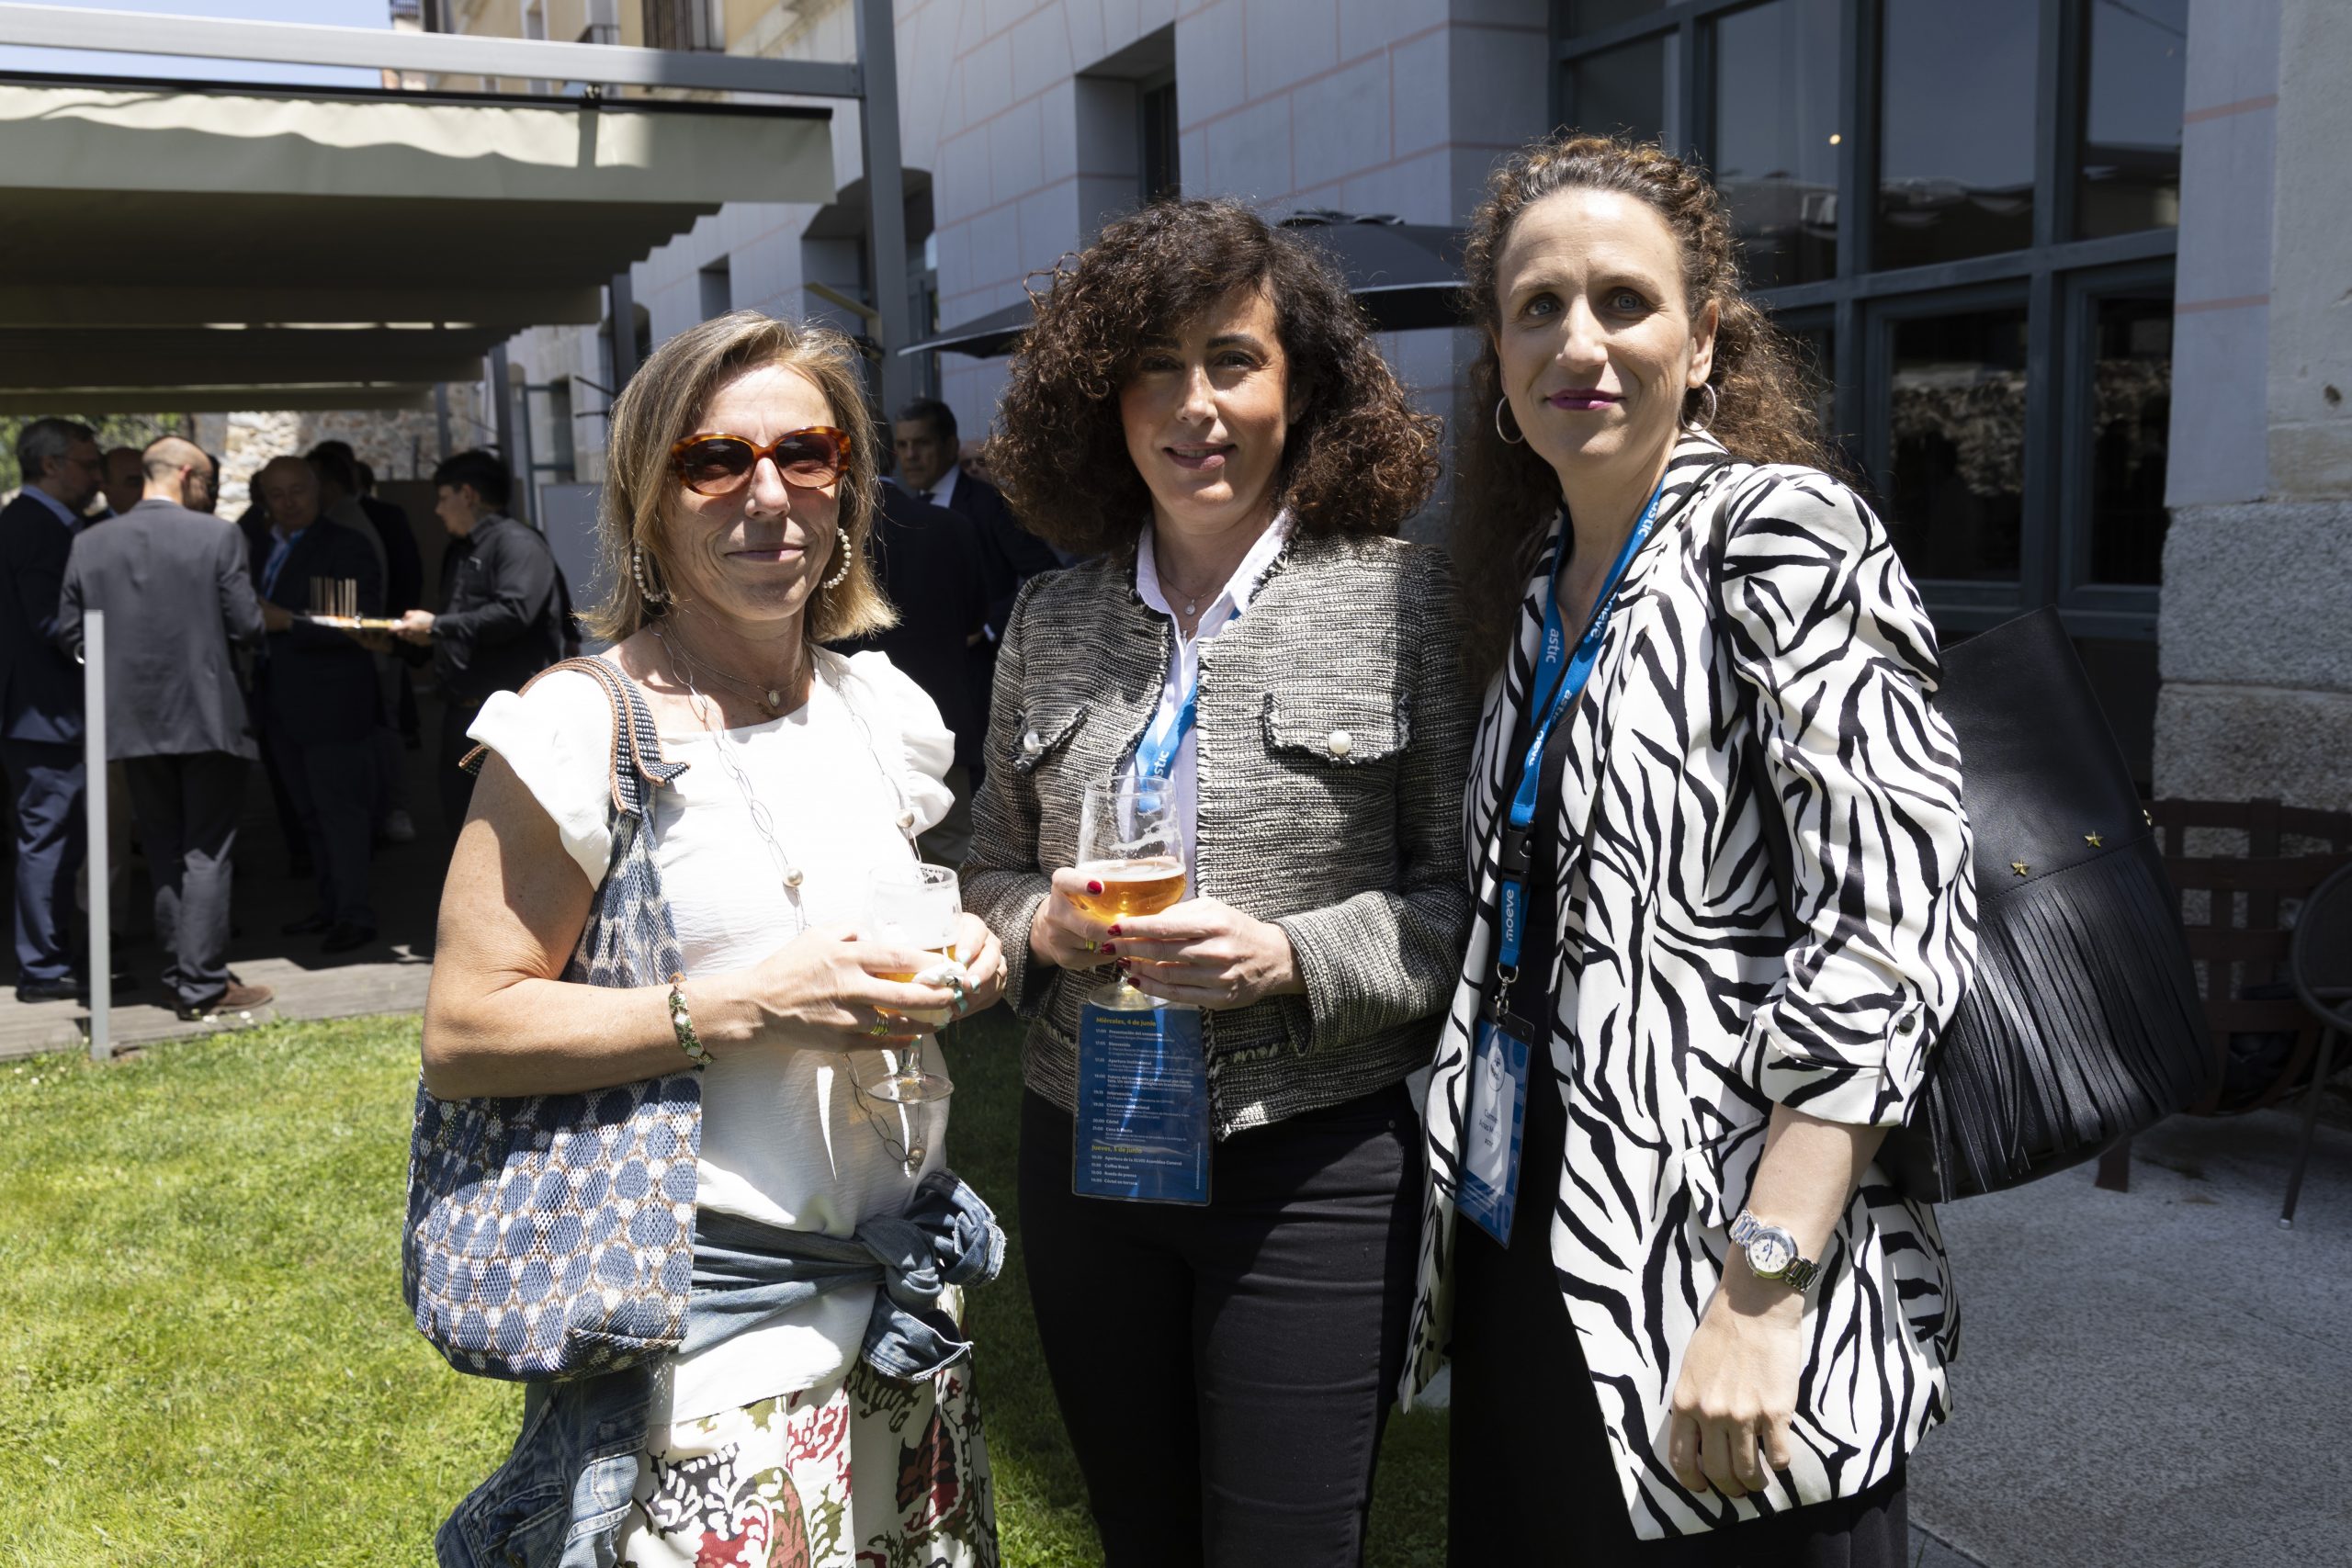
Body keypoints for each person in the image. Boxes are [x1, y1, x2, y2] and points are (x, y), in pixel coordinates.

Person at [1407, 135, 1981, 1563]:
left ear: (1706, 336)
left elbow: (1890, 923)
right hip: (1543, 1249)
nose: (1577, 342)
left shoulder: (1783, 533)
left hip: (1726, 1271)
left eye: (1624, 300)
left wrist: (1764, 1288)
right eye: (1537, 307)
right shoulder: (1543, 584)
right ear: (1496, 355)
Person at [424, 310, 1003, 1568]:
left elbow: (893, 909)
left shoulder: (875, 708)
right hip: (709, 1353)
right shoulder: (579, 727)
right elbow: (465, 1028)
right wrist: (744, 1004)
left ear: (848, 483)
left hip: (905, 1316)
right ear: (649, 497)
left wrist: (969, 944)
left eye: (806, 452)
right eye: (716, 460)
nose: (768, 493)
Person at [963, 198, 1473, 1567]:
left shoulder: (1404, 604)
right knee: (1142, 1536)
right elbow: (984, 867)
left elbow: (1463, 900)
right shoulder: (1050, 618)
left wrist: (1294, 957)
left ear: (1300, 390)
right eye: (1156, 367)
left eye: (1234, 361)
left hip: (1310, 1162)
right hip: (1088, 1147)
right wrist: (1039, 925)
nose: (1196, 406)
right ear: (1103, 403)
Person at [56, 437, 272, 1021]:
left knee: (162, 847)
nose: (209, 492)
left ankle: (183, 973)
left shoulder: (90, 542)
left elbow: (71, 633)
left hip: (130, 722)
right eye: (206, 481)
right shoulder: (218, 536)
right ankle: (201, 984)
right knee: (207, 850)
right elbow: (248, 625)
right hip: (207, 715)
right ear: (184, 473)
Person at [390, 448, 565, 840]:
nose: (437, 510)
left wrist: (437, 626)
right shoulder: (461, 548)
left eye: (443, 497)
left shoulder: (517, 543)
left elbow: (515, 613)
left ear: (467, 494)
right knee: (465, 828)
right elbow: (461, 628)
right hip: (463, 713)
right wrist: (410, 641)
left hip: (510, 717)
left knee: (511, 834)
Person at [251, 455, 384, 953]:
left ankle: (354, 914)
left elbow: (356, 622)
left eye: (297, 491)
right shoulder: (260, 546)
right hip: (278, 702)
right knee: (306, 815)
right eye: (276, 494)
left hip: (333, 704)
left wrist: (289, 622)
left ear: (318, 491)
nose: (288, 503)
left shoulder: (344, 545)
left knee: (341, 815)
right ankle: (331, 907)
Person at [834, 478, 988, 863]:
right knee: (951, 862)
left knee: (861, 863)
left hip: (846, 726)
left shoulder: (832, 532)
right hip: (943, 726)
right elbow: (976, 623)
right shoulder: (951, 526)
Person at [0, 417, 99, 1000]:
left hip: (46, 712)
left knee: (56, 839)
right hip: (45, 715)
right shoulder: (35, 527)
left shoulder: (40, 522)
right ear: (50, 465)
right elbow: (52, 624)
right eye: (88, 465)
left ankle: (54, 957)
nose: (97, 477)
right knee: (49, 839)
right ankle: (42, 967)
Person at [307, 440, 421, 845]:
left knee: (381, 727)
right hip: (370, 642)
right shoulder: (341, 520)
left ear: (328, 484)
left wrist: (396, 637)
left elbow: (405, 576)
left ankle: (393, 808)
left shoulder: (352, 523)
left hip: (374, 642)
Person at [893, 395, 1058, 641]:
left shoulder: (991, 503)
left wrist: (988, 627)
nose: (910, 455)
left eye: (922, 443)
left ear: (951, 446)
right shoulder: (908, 510)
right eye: (902, 445)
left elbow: (1047, 575)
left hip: (985, 658)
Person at [97, 446, 146, 520]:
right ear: (106, 489)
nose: (147, 490)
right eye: (135, 483)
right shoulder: (91, 526)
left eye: (151, 482)